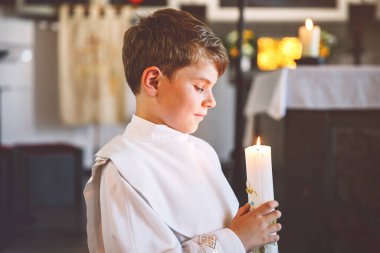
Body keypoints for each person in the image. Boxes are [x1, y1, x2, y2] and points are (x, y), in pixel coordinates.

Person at [84, 8, 282, 253]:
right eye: (200, 87)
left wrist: (252, 229)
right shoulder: (123, 168)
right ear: (153, 82)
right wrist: (237, 239)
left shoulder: (203, 151)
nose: (211, 101)